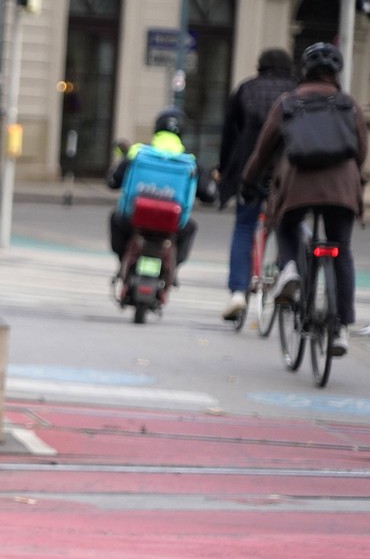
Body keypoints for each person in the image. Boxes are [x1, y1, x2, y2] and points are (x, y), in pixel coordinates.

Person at [242, 42, 366, 356]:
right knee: (342, 251)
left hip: (298, 184)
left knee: (286, 223)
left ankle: (290, 270)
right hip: (341, 187)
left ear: (304, 70)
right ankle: (339, 328)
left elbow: (263, 148)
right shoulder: (348, 104)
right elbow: (362, 150)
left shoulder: (288, 102)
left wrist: (247, 181)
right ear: (336, 73)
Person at [214, 48, 296, 321]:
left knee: (244, 227)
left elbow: (230, 135)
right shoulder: (297, 91)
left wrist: (224, 170)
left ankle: (237, 292)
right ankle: (289, 273)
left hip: (251, 170)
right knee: (288, 225)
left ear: (260, 66)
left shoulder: (246, 89)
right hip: (287, 173)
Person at [106, 107, 204, 277]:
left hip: (133, 218)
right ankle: (172, 270)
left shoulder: (137, 152)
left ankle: (123, 262)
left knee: (115, 219)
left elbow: (114, 181)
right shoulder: (190, 162)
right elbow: (208, 194)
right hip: (174, 225)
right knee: (190, 228)